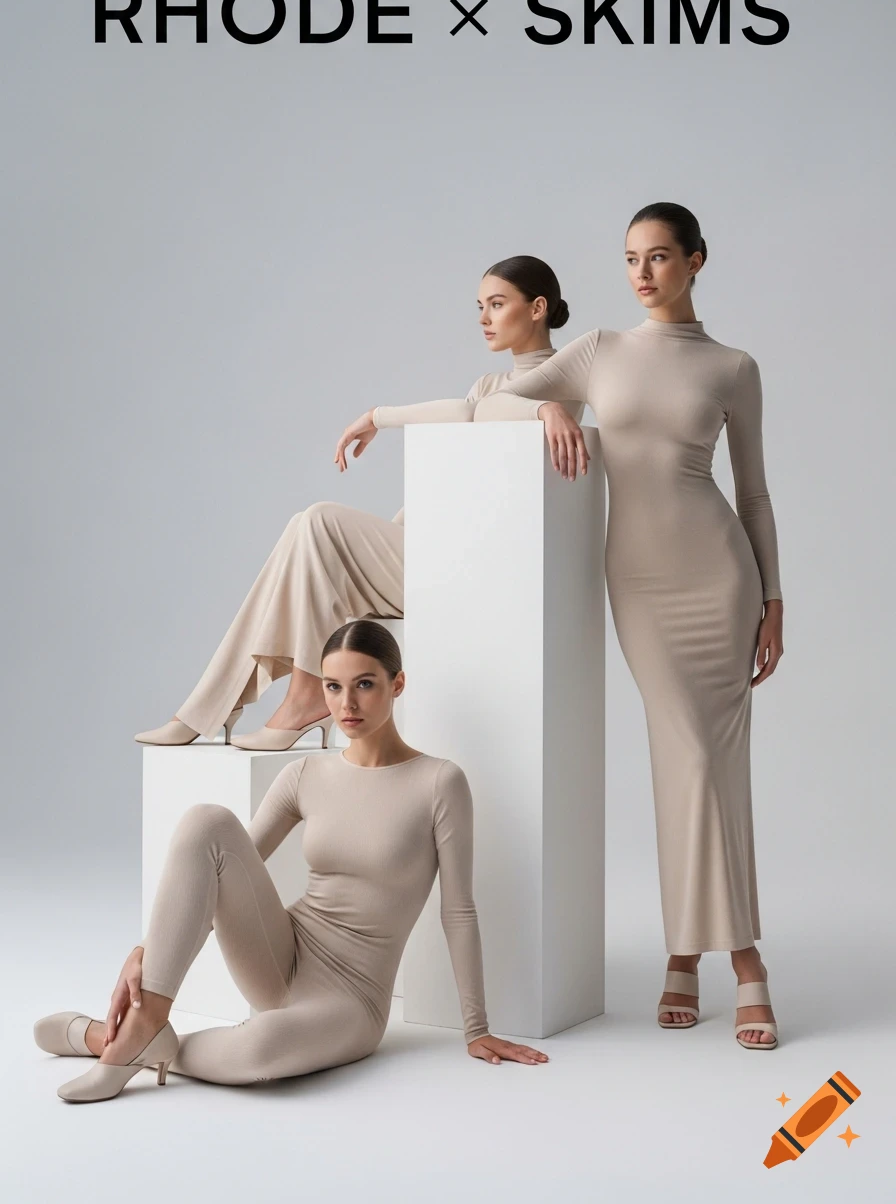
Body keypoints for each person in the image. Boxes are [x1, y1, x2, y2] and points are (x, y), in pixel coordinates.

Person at [473, 203, 783, 1051]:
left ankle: (698, 953)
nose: (642, 274)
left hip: (720, 577)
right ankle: (738, 957)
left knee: (711, 761)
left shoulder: (733, 366)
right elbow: (503, 391)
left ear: (696, 262)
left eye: (659, 258)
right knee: (684, 753)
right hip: (640, 582)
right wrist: (550, 410)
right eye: (630, 259)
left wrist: (775, 599)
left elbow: (752, 491)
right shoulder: (601, 350)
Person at [35, 620, 549, 1102]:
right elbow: (213, 867)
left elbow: (457, 910)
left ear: (398, 684)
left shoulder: (439, 782)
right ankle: (145, 1027)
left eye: (364, 684)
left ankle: (108, 1041)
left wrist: (476, 1029)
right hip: (280, 954)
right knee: (207, 822)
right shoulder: (306, 774)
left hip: (353, 999)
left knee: (263, 1049)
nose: (346, 703)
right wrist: (144, 950)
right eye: (331, 687)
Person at [134, 257, 584, 752]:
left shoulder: (561, 380)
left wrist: (378, 416)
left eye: (497, 305)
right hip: (434, 546)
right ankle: (214, 705)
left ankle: (280, 701)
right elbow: (473, 423)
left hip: (467, 571)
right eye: (480, 306)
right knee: (303, 528)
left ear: (537, 308)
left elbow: (473, 414)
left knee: (320, 521)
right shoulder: (487, 384)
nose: (483, 319)